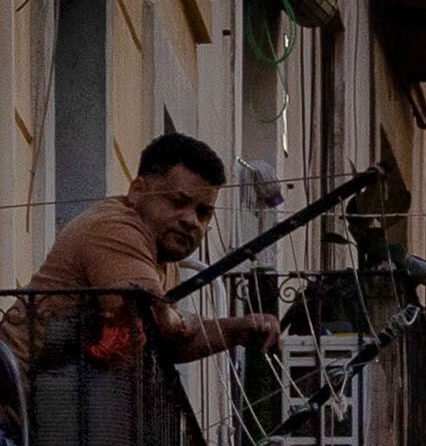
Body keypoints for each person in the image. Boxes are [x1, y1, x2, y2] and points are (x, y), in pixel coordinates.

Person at [22, 133, 282, 361]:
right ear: (137, 191)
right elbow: (150, 320)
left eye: (203, 212)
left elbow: (169, 344)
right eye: (177, 202)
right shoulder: (114, 228)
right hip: (4, 402)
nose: (191, 221)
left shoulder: (161, 255)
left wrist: (237, 329)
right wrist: (183, 320)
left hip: (51, 398)